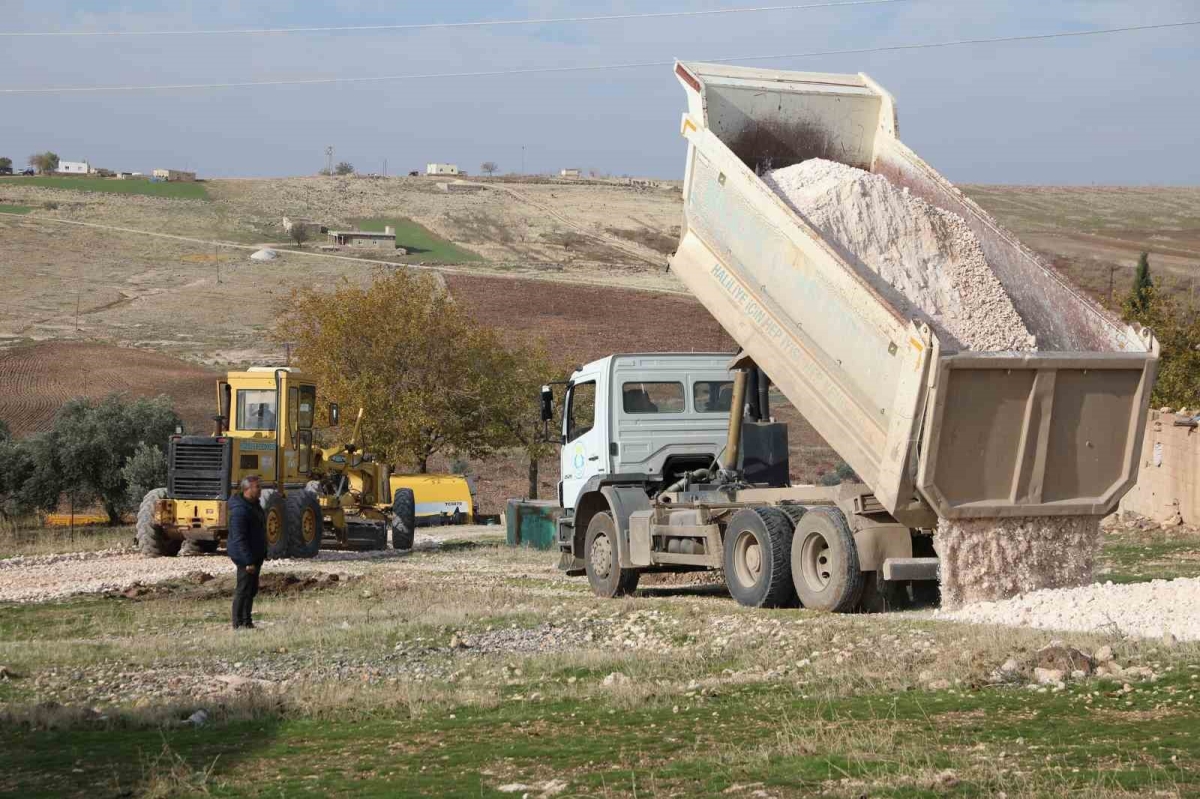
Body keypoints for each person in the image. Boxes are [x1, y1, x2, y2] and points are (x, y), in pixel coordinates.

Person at [227, 475, 267, 629]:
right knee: (243, 589)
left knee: (251, 589)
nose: (260, 489)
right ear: (247, 489)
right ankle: (237, 624)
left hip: (255, 555)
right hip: (245, 558)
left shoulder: (255, 505)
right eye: (257, 487)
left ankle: (247, 621)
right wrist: (248, 560)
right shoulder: (240, 510)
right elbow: (239, 539)